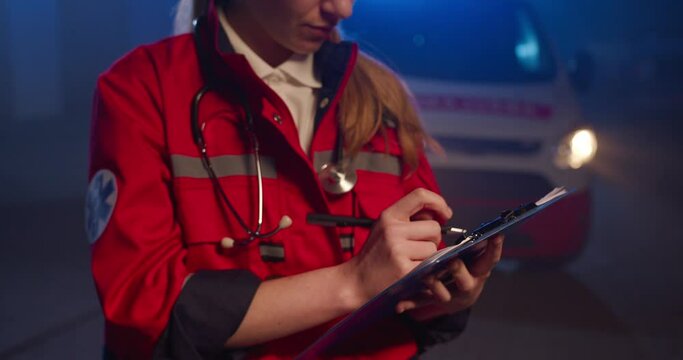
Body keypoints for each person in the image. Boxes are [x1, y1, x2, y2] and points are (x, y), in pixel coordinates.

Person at [86, 0, 504, 358]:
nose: (342, 9)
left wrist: (442, 297)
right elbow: (141, 315)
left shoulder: (380, 96)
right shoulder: (142, 89)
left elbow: (407, 287)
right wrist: (352, 282)